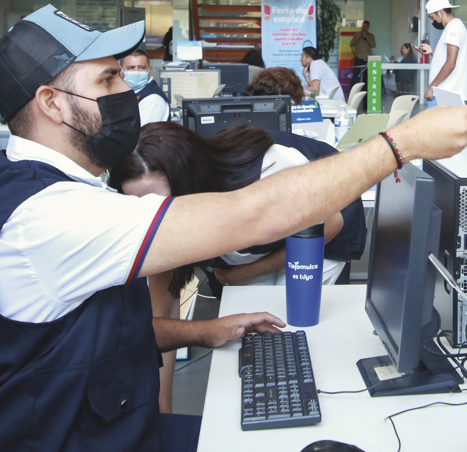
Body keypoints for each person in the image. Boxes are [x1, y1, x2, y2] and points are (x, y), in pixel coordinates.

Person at [0, 4, 467, 451]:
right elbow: (256, 214)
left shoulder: (17, 187)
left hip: (92, 424)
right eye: (106, 80)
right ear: (52, 103)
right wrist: (403, 143)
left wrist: (205, 331)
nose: (125, 91)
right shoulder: (50, 216)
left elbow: (79, 338)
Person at [109, 121, 365, 413]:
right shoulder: (154, 217)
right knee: (254, 330)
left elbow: (330, 223)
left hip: (317, 234)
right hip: (253, 241)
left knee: (293, 322)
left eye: (163, 205)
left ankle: (314, 405)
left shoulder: (270, 169)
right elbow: (164, 314)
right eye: (141, 208)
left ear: (190, 184)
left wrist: (245, 272)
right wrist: (163, 419)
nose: (154, 218)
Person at [417, 0, 467, 103]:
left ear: (440, 12)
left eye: (432, 17)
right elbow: (451, 58)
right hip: (447, 95)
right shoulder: (454, 27)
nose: (432, 22)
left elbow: (450, 64)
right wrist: (432, 52)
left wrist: (431, 87)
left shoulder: (453, 28)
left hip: (445, 95)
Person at [120, 49, 170, 125]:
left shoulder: (153, 99)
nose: (136, 72)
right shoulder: (125, 93)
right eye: (131, 68)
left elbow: (140, 134)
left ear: (149, 70)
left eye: (141, 67)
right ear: (121, 71)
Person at [350, 20, 376, 85]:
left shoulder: (371, 36)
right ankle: (354, 90)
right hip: (358, 56)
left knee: (366, 74)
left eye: (365, 26)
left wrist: (366, 38)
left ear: (368, 27)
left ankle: (365, 90)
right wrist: (358, 37)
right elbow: (351, 44)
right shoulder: (357, 34)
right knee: (356, 74)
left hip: (367, 58)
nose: (364, 27)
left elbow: (374, 45)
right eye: (363, 25)